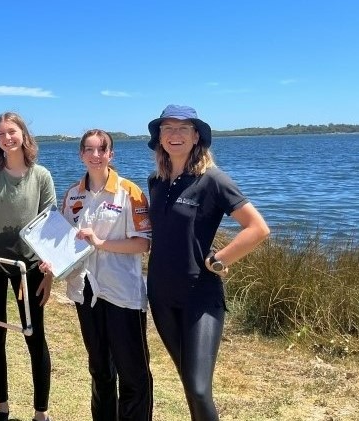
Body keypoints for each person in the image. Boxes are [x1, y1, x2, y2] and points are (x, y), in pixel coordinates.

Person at [146, 105, 269, 421]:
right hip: (160, 294)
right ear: (159, 137)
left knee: (200, 388)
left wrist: (218, 259)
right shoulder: (156, 182)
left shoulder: (213, 180)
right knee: (188, 382)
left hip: (200, 296)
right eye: (168, 128)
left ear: (196, 136)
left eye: (183, 128)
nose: (174, 135)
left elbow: (257, 228)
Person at [42, 129, 153, 420]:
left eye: (101, 150)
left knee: (133, 374)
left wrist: (102, 243)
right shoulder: (72, 194)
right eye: (89, 150)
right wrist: (51, 263)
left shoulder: (130, 192)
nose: (95, 155)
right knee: (100, 369)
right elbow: (63, 243)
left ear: (110, 155)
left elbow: (144, 242)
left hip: (122, 293)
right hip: (84, 290)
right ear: (81, 154)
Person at [0, 112, 55, 421]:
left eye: (12, 131)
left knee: (35, 336)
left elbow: (50, 225)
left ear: (23, 135)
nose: (7, 137)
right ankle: (2, 406)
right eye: (1, 134)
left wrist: (49, 268)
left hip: (27, 268)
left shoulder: (41, 176)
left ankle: (40, 412)